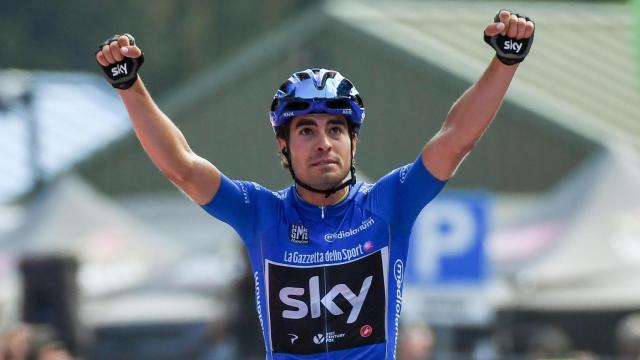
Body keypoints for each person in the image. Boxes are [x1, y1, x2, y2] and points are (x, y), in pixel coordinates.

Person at [95, 9, 534, 360]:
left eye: (335, 129)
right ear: (282, 147)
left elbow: (456, 139)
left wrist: (505, 61)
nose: (323, 143)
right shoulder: (261, 213)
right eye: (305, 130)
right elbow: (183, 168)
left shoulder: (390, 203)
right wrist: (130, 86)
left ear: (353, 141)